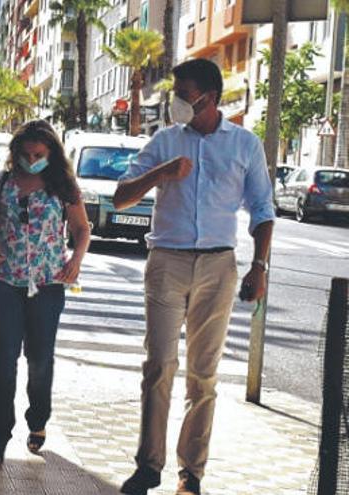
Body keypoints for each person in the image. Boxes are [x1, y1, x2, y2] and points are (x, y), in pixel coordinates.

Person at [113, 58, 274, 495]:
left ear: (210, 98)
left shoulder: (244, 145)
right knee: (159, 365)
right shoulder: (164, 142)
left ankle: (192, 473)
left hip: (218, 266)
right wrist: (161, 173)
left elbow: (263, 210)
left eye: (184, 95)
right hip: (168, 260)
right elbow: (121, 197)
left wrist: (259, 267)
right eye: (177, 94)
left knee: (203, 374)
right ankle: (148, 466)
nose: (177, 103)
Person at [0, 120, 90, 468]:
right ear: (15, 154)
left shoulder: (62, 186)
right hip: (4, 282)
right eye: (25, 154)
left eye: (39, 155)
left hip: (47, 283)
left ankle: (38, 418)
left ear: (51, 154)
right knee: (3, 359)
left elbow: (81, 229)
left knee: (40, 359)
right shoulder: (1, 184)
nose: (31, 160)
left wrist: (76, 259)